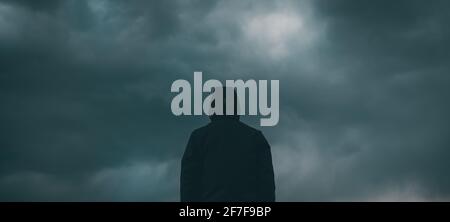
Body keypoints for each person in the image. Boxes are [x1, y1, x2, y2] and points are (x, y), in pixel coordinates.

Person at [180, 87, 275, 202]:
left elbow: (189, 184)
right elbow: (267, 185)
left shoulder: (198, 137)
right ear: (236, 107)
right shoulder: (255, 138)